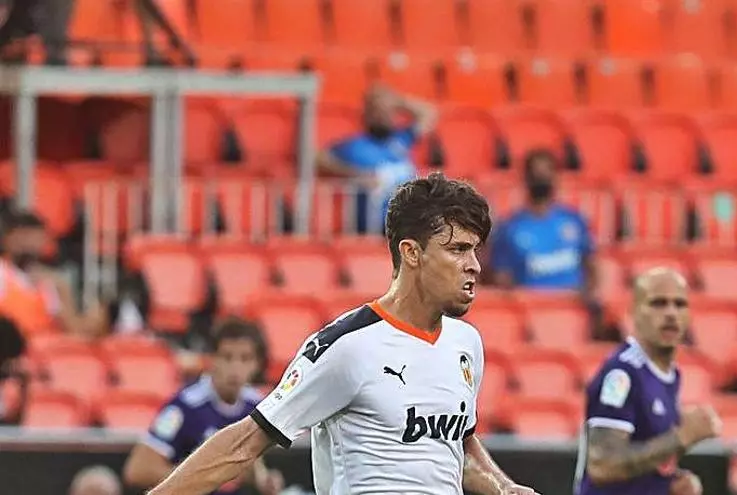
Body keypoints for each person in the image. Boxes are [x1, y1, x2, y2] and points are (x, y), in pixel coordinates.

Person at [146, 173, 538, 495]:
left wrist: (503, 487)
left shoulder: (465, 344)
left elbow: (457, 444)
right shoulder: (347, 347)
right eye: (457, 250)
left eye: (475, 251)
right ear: (412, 253)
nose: (474, 266)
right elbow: (244, 443)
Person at [573, 267, 722, 495]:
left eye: (679, 304)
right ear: (634, 311)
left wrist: (668, 484)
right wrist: (682, 437)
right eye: (658, 303)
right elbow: (603, 465)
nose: (671, 313)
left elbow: (645, 452)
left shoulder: (670, 375)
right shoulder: (622, 374)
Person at [123, 317, 285, 495]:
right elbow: (138, 470)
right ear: (212, 359)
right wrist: (203, 479)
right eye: (227, 357)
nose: (235, 368)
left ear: (257, 364)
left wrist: (264, 481)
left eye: (245, 359)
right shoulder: (184, 407)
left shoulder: (258, 405)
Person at [490, 150, 602, 330]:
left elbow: (592, 264)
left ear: (556, 176)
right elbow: (501, 277)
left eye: (547, 171)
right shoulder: (510, 228)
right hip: (532, 312)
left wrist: (589, 294)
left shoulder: (574, 220)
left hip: (573, 309)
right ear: (525, 178)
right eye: (536, 173)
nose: (541, 177)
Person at [316, 84, 437, 234]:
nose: (384, 116)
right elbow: (317, 159)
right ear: (367, 114)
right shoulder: (355, 147)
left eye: (388, 111)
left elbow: (429, 114)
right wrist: (357, 175)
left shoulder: (401, 139)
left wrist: (397, 101)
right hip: (379, 225)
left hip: (412, 220)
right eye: (377, 111)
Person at [0, 210, 104, 339]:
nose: (29, 245)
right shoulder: (2, 273)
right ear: (8, 239)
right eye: (24, 238)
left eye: (36, 239)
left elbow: (74, 330)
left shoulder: (49, 282)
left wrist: (63, 290)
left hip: (46, 346)